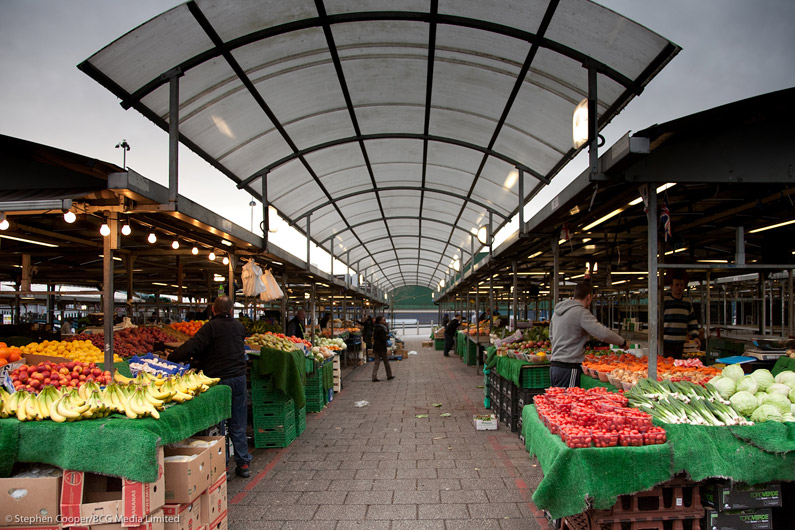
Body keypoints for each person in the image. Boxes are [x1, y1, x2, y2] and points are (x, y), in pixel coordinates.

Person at [168, 296, 252, 478]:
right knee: (238, 422)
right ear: (231, 311)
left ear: (213, 311)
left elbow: (193, 346)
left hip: (218, 380)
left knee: (219, 423)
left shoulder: (210, 328)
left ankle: (223, 466)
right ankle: (243, 464)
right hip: (238, 378)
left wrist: (172, 357)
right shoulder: (239, 327)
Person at [549, 282, 629, 388]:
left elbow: (551, 336)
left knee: (557, 401)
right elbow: (602, 333)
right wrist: (622, 342)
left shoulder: (557, 312)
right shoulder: (581, 312)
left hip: (555, 367)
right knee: (568, 400)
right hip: (569, 367)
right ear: (589, 297)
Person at [663, 271, 701, 359]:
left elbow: (692, 320)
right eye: (677, 285)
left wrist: (695, 336)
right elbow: (656, 319)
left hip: (680, 342)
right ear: (671, 286)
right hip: (665, 342)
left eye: (681, 285)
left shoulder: (687, 302)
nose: (679, 287)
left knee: (677, 364)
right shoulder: (664, 301)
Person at [371, 316, 394, 382]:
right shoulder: (382, 329)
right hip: (381, 347)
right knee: (386, 362)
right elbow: (383, 338)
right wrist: (388, 337)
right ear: (380, 321)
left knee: (377, 362)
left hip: (376, 347)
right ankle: (389, 375)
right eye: (383, 320)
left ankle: (374, 376)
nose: (385, 321)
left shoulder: (375, 328)